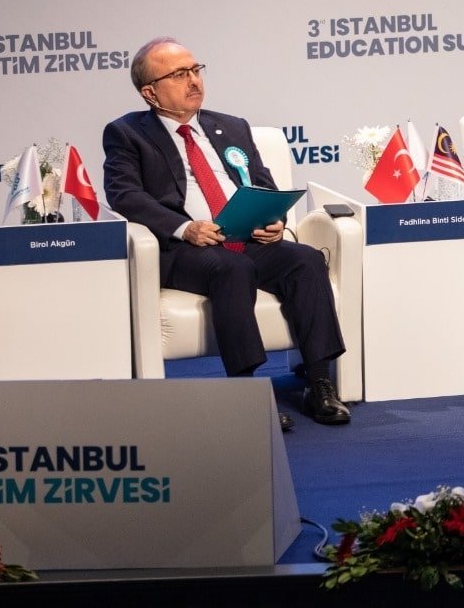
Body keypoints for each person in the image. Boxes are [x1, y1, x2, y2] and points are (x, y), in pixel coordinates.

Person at [102, 38, 354, 428]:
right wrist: (185, 228)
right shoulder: (127, 134)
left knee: (305, 259)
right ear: (150, 92)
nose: (194, 81)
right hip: (182, 248)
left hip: (247, 239)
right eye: (179, 74)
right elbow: (125, 195)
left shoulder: (230, 126)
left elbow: (263, 184)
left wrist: (275, 221)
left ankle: (319, 382)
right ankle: (246, 393)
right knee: (231, 269)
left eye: (196, 70)